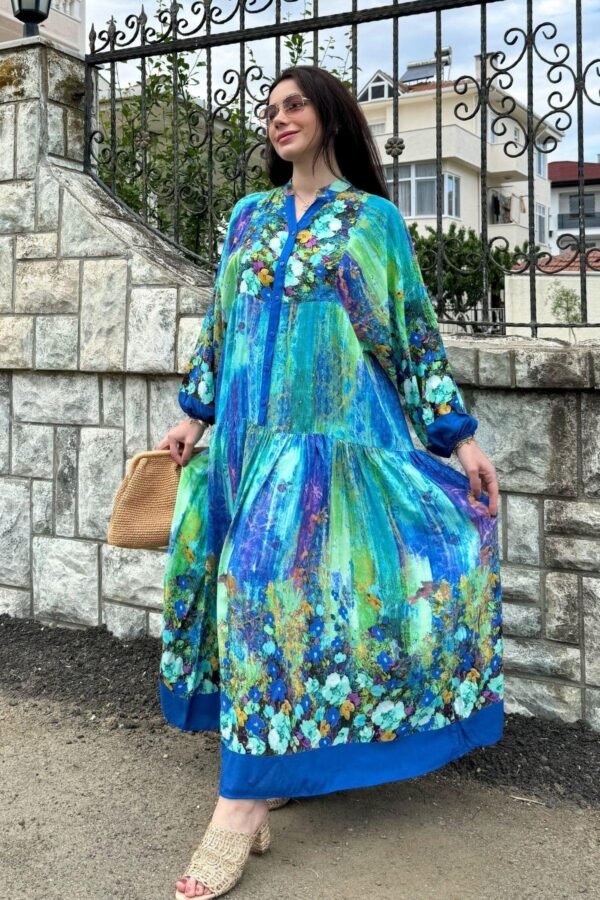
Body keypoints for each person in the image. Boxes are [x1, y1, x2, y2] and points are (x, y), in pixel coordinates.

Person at [158, 65, 502, 900]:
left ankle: (238, 807)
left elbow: (412, 335)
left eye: (294, 105)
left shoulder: (373, 221)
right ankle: (269, 759)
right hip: (246, 437)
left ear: (331, 116)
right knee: (263, 606)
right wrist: (195, 415)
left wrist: (459, 441)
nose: (278, 119)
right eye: (269, 109)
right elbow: (221, 322)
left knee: (259, 589)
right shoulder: (249, 215)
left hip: (334, 440)